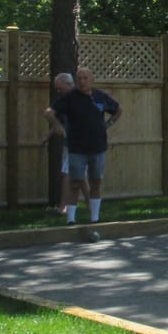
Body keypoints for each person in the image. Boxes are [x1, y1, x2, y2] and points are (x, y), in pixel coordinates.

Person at [48, 68, 121, 224]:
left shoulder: (100, 96)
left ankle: (95, 219)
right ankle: (71, 219)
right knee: (75, 182)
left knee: (95, 182)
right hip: (77, 149)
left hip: (98, 147)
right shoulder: (69, 98)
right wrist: (56, 126)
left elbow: (117, 109)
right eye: (79, 78)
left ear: (91, 79)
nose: (82, 81)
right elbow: (49, 112)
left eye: (85, 78)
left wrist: (109, 123)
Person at [42, 72, 77, 213]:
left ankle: (64, 207)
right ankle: (75, 207)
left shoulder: (75, 98)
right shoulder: (65, 99)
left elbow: (49, 114)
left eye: (60, 88)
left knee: (68, 174)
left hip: (76, 142)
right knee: (76, 176)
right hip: (71, 142)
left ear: (69, 84)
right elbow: (59, 122)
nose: (58, 91)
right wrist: (47, 135)